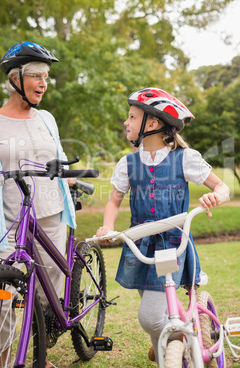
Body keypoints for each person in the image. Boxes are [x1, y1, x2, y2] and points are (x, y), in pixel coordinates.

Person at [96, 87, 230, 364]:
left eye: (132, 117)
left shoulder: (185, 158)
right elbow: (113, 201)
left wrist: (215, 195)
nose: (126, 122)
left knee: (150, 316)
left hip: (172, 244)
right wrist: (107, 227)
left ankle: (176, 338)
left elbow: (222, 186)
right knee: (155, 312)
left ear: (153, 124)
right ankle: (169, 347)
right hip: (140, 243)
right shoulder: (128, 163)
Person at [0, 42, 76, 368]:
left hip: (51, 215)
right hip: (8, 223)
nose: (43, 83)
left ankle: (38, 355)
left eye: (46, 76)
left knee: (46, 294)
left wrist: (71, 176)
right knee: (1, 300)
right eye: (36, 75)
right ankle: (1, 359)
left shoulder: (47, 118)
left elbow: (57, 159)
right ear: (15, 79)